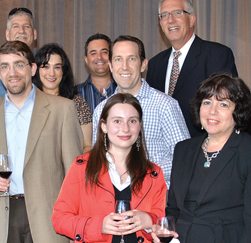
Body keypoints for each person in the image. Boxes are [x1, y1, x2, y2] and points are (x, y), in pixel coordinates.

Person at [0, 41, 83, 243]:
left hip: (49, 217)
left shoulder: (62, 109)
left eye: (19, 64)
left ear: (32, 68)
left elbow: (74, 172)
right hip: (2, 214)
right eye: (5, 66)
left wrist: (76, 223)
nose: (12, 72)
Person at [157, 72, 251, 243]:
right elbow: (173, 210)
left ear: (238, 111)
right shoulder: (184, 149)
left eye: (223, 104)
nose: (212, 111)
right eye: (207, 103)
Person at [52, 93, 167, 243]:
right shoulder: (82, 167)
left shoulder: (154, 174)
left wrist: (149, 220)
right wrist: (99, 226)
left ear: (140, 125)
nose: (125, 128)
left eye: (132, 121)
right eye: (117, 121)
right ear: (104, 126)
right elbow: (60, 219)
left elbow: (162, 222)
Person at [92, 35, 190, 187]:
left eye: (131, 59)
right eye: (118, 59)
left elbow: (185, 159)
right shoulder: (101, 111)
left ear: (143, 65)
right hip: (112, 201)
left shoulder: (165, 106)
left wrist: (142, 172)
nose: (124, 67)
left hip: (156, 201)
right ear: (110, 66)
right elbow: (97, 159)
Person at [146, 0, 238, 137]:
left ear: (192, 19)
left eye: (177, 13)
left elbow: (225, 109)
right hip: (164, 154)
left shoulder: (216, 55)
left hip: (202, 148)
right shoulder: (155, 64)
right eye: (164, 15)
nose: (170, 20)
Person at [33, 43, 93, 153]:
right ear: (36, 70)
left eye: (57, 67)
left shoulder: (78, 103)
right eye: (46, 67)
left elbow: (87, 146)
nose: (51, 73)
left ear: (63, 71)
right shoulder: (29, 103)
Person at [0, 7, 38, 98]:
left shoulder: (45, 68)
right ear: (7, 35)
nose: (21, 31)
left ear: (34, 34)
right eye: (16, 26)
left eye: (26, 26)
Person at [75, 33, 117, 113]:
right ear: (86, 60)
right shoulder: (75, 94)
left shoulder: (123, 90)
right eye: (93, 53)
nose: (99, 57)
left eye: (104, 52)